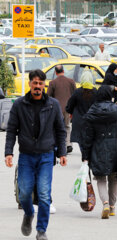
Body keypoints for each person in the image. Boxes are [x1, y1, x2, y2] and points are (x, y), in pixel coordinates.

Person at [5, 69, 67, 240]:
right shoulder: (19, 104)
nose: (37, 86)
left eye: (40, 83)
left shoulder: (53, 105)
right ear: (30, 84)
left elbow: (60, 131)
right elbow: (11, 130)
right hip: (26, 156)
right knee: (24, 193)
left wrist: (62, 152)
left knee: (44, 194)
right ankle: (28, 213)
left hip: (46, 156)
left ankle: (41, 230)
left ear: (44, 85)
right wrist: (8, 152)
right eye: (35, 83)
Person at [83, 85, 117, 219]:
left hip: (98, 148)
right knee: (113, 178)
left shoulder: (92, 112)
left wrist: (85, 155)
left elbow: (87, 137)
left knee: (101, 178)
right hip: (115, 147)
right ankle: (113, 207)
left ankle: (105, 203)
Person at [65, 69, 97, 158]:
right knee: (91, 139)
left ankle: (84, 156)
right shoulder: (95, 92)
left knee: (81, 140)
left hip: (79, 120)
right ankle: (89, 156)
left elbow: (70, 105)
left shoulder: (78, 92)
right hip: (92, 120)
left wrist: (70, 112)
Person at [47, 65, 76, 153]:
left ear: (56, 72)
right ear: (63, 71)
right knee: (67, 126)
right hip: (68, 108)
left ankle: (59, 145)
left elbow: (48, 97)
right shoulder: (71, 81)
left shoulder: (52, 83)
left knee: (57, 127)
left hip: (56, 109)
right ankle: (68, 145)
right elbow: (75, 95)